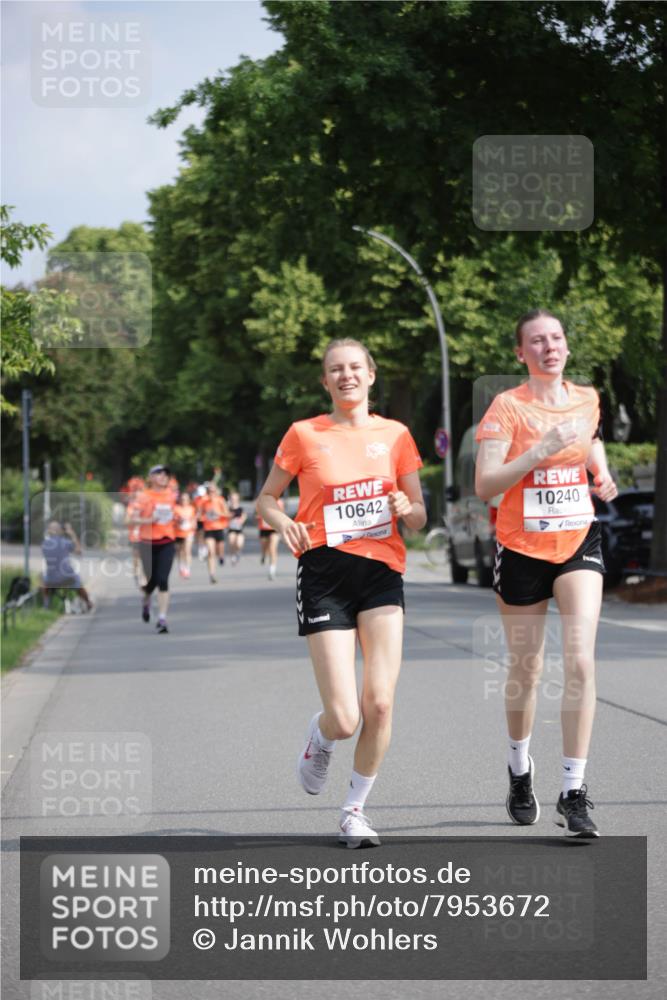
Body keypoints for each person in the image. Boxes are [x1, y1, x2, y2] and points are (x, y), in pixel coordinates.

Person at [256, 338, 426, 848]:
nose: (346, 375)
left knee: (380, 704)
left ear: (371, 375)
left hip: (381, 573)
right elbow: (267, 499)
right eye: (336, 369)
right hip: (324, 575)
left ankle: (354, 811)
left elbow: (419, 516)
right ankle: (322, 733)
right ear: (325, 381)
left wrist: (406, 508)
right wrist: (283, 521)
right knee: (346, 717)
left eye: (355, 367)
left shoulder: (395, 435)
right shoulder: (304, 434)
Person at [475, 309, 618, 838]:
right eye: (537, 340)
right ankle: (519, 768)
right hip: (521, 548)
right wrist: (538, 452)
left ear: (566, 347)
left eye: (556, 338)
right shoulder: (507, 407)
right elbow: (486, 484)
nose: (549, 346)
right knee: (527, 668)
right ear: (521, 353)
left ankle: (573, 792)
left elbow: (591, 439)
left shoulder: (587, 398)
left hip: (578, 539)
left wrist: (601, 471)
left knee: (580, 659)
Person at [130, 464, 176, 633]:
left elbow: (175, 514)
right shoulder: (143, 496)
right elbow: (133, 519)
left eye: (166, 474)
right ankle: (146, 599)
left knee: (163, 579)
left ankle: (162, 618)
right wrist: (149, 520)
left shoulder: (172, 495)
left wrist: (177, 518)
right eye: (159, 474)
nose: (163, 477)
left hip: (167, 541)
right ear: (151, 478)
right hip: (147, 543)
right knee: (151, 581)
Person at [41, 521, 93, 610]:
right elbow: (79, 551)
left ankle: (46, 605)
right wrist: (72, 533)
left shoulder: (44, 544)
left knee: (42, 579)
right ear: (60, 530)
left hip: (51, 580)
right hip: (67, 578)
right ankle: (88, 603)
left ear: (49, 531)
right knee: (77, 581)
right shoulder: (65, 542)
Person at [200, 482, 230, 583]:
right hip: (208, 529)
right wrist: (203, 516)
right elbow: (200, 515)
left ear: (216, 491)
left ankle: (221, 556)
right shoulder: (204, 502)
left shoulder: (220, 500)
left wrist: (219, 513)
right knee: (210, 551)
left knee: (220, 550)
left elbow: (227, 514)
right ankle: (212, 574)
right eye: (209, 491)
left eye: (213, 491)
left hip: (219, 528)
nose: (211, 493)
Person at [257, 497, 284, 580]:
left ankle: (272, 570)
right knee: (264, 547)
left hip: (274, 529)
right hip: (264, 528)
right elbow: (256, 514)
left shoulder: (279, 502)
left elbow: (282, 516)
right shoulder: (262, 500)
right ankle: (263, 555)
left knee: (272, 548)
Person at [174, 491, 196, 578]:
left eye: (186, 499)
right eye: (182, 499)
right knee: (180, 551)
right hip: (178, 532)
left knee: (187, 550)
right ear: (180, 499)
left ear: (189, 500)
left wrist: (193, 524)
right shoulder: (176, 508)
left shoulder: (191, 509)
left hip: (189, 532)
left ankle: (187, 569)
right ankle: (181, 566)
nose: (184, 501)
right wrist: (178, 520)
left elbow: (193, 519)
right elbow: (173, 519)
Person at [226, 491, 247, 565]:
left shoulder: (241, 509)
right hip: (231, 529)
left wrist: (242, 520)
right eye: (232, 499)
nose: (234, 500)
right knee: (231, 541)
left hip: (239, 529)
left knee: (239, 544)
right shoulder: (228, 508)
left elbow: (244, 516)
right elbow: (225, 517)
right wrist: (229, 517)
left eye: (235, 499)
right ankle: (233, 555)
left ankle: (237, 552)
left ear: (238, 499)